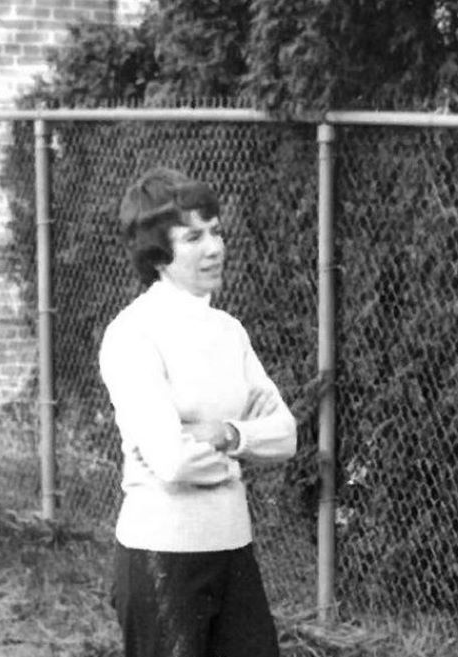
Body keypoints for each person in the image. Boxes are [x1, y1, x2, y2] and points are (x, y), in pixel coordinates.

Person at [99, 167, 297, 657]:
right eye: (193, 236)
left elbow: (287, 436)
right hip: (161, 557)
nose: (214, 247)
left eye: (215, 230)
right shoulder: (133, 334)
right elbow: (174, 462)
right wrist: (246, 450)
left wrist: (227, 434)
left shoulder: (229, 332)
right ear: (158, 254)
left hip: (233, 552)